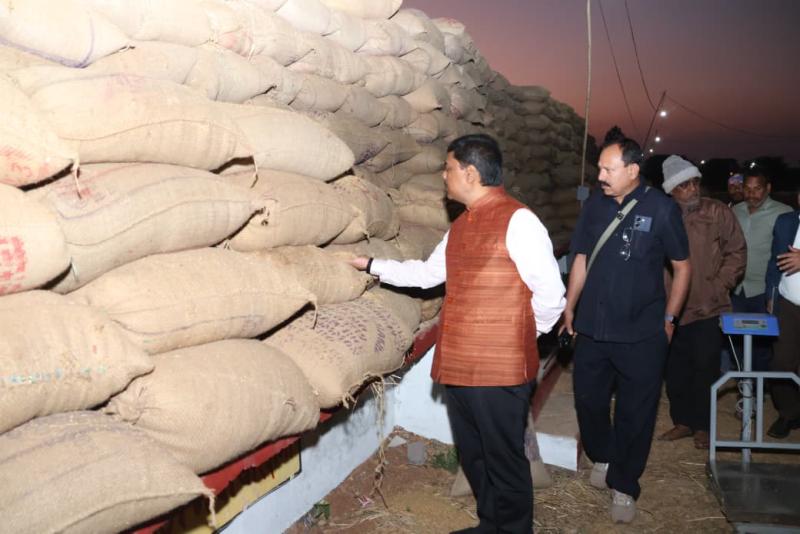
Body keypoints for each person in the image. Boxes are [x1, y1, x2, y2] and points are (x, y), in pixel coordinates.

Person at [350, 133, 566, 534]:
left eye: (448, 168)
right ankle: (490, 524)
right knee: (476, 454)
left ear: (470, 173)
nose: (443, 177)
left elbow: (552, 297)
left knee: (504, 459)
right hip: (460, 366)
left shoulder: (519, 221)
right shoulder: (463, 225)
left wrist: (519, 337)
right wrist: (372, 265)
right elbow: (427, 274)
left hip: (500, 371)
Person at [560, 132, 691, 524]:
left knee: (636, 413)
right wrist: (570, 307)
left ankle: (624, 483)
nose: (600, 176)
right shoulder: (594, 207)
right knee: (589, 402)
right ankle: (602, 454)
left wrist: (670, 318)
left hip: (642, 334)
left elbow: (682, 267)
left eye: (608, 169)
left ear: (633, 170)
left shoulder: (662, 209)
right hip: (593, 330)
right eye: (600, 168)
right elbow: (581, 258)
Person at [659, 156, 746, 449]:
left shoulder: (717, 211)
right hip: (671, 308)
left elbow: (737, 251)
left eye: (695, 182)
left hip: (708, 306)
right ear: (671, 190)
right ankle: (682, 421)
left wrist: (718, 286)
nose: (692, 189)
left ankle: (703, 426)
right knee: (675, 369)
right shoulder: (663, 215)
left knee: (705, 367)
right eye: (684, 185)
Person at [731, 170, 792, 370]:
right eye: (747, 189)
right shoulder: (735, 211)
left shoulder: (784, 213)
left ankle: (761, 385)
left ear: (768, 188)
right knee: (736, 341)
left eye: (757, 189)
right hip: (737, 288)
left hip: (764, 291)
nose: (751, 194)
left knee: (763, 346)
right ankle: (743, 383)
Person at [765, 186, 800, 439]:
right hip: (787, 304)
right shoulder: (785, 221)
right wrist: (770, 293)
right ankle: (789, 413)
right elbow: (774, 260)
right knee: (781, 363)